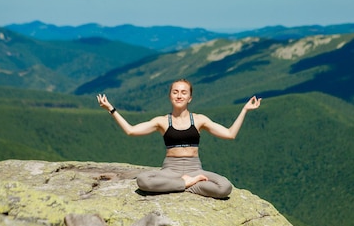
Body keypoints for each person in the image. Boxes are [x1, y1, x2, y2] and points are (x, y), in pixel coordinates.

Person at [96, 79, 261, 199]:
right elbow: (131, 130)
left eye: (184, 92)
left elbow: (230, 134)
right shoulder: (161, 121)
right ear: (170, 96)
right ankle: (186, 184)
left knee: (225, 187)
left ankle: (184, 185)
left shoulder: (199, 120)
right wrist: (111, 109)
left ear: (190, 98)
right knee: (142, 180)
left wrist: (245, 109)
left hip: (195, 169)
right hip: (170, 170)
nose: (179, 95)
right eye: (175, 92)